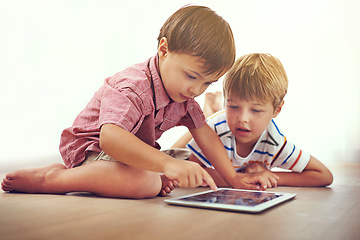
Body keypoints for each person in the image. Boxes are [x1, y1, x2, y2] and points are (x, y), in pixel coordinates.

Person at [1, 5, 237, 198]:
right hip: (94, 151)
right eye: (191, 76)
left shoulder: (184, 96)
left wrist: (234, 178)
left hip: (131, 155)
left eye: (207, 83)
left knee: (194, 167)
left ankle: (156, 176)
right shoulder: (133, 85)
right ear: (164, 50)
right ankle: (53, 179)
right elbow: (110, 138)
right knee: (147, 184)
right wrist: (165, 165)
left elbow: (203, 132)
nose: (196, 90)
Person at [173, 53, 333, 189]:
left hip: (222, 126)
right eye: (233, 106)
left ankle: (214, 109)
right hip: (214, 128)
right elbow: (191, 168)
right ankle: (211, 110)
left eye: (256, 110)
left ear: (277, 110)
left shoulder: (273, 141)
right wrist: (240, 177)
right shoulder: (217, 128)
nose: (243, 119)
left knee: (211, 121)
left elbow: (324, 175)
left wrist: (270, 176)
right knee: (191, 136)